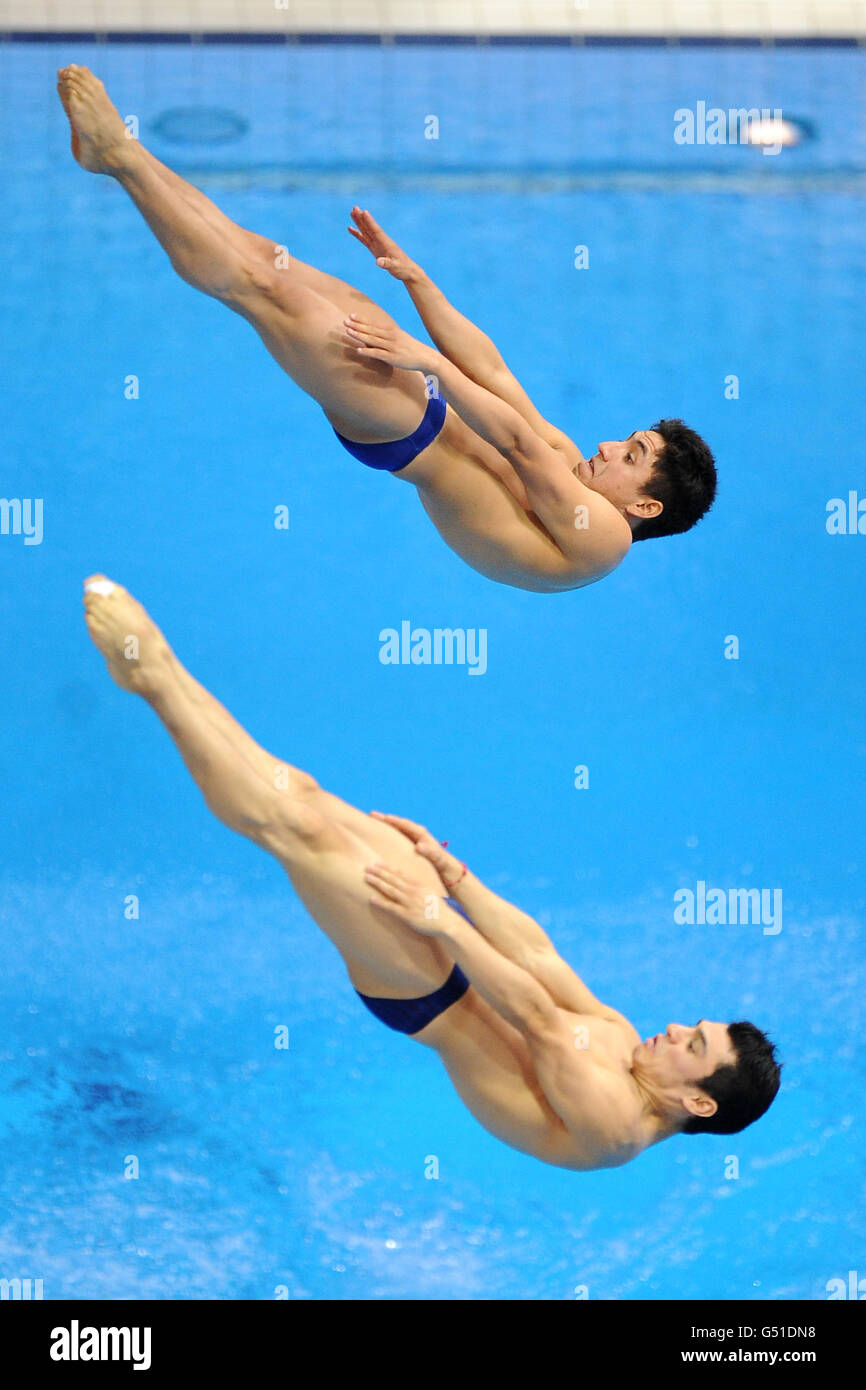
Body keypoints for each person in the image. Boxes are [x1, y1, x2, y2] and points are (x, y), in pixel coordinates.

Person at [82, 576, 780, 1171]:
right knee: (300, 796)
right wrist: (455, 877)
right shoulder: (626, 1044)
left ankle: (153, 680)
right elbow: (537, 954)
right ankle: (160, 672)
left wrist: (439, 916)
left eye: (693, 1044)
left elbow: (536, 1017)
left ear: (698, 1102)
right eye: (694, 1024)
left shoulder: (612, 1124)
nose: (675, 1027)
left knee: (291, 831)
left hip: (429, 993)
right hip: (450, 949)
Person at [58, 65, 716, 594]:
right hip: (422, 393)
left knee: (260, 291)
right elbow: (494, 373)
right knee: (264, 257)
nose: (606, 446)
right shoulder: (573, 464)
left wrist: (425, 362)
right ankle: (115, 152)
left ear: (649, 507)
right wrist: (419, 282)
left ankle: (120, 156)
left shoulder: (603, 538)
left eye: (631, 458)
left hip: (408, 428)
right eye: (627, 440)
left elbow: (515, 445)